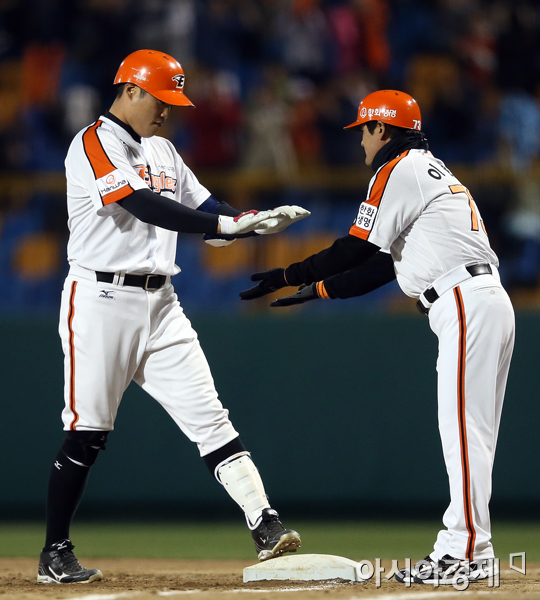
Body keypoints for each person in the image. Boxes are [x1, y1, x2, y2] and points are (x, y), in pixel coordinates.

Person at [37, 49, 307, 585]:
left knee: (211, 418)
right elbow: (142, 204)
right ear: (130, 90)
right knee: (88, 432)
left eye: (172, 102)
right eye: (160, 100)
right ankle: (54, 552)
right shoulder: (93, 142)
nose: (166, 111)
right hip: (100, 300)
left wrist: (249, 220)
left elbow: (205, 208)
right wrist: (225, 228)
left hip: (161, 303)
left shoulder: (162, 149)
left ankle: (266, 523)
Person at [240, 90, 515, 586]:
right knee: (472, 434)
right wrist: (320, 289)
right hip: (482, 297)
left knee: (463, 433)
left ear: (382, 129)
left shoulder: (398, 169)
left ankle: (465, 551)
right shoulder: (430, 169)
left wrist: (287, 273)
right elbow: (385, 264)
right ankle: (470, 547)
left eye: (364, 131)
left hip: (462, 301)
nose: (362, 141)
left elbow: (355, 248)